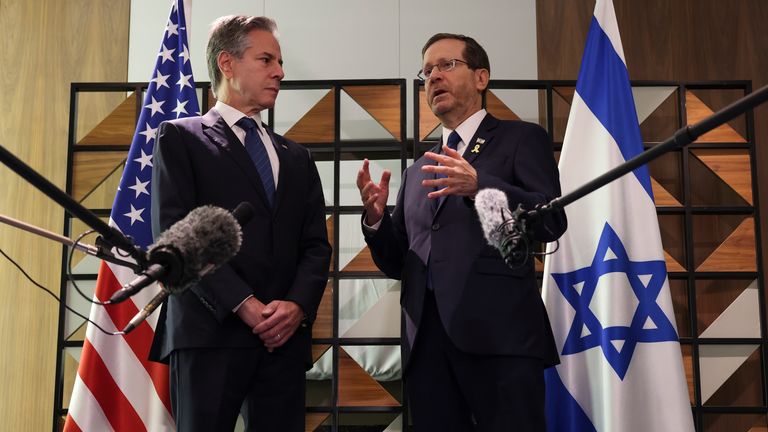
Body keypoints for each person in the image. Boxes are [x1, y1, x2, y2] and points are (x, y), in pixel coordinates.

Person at [357, 33, 567, 431]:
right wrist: (376, 219)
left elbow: (550, 220)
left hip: (500, 339)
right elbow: (399, 262)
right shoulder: (417, 171)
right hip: (427, 346)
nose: (433, 76)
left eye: (446, 65)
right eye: (427, 71)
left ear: (482, 77)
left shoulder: (521, 139)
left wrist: (480, 185)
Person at [149, 15, 331, 431]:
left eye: (279, 62)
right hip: (209, 332)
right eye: (266, 59)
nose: (280, 71)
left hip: (283, 341)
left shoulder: (297, 157)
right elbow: (178, 236)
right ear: (227, 63)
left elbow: (316, 246)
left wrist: (296, 307)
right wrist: (244, 305)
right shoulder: (180, 137)